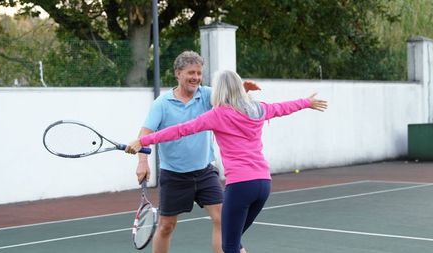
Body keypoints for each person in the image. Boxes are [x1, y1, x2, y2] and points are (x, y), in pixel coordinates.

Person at [126, 70, 328, 253]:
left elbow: (179, 130)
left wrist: (143, 141)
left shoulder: (217, 115)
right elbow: (283, 107)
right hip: (263, 184)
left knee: (229, 245)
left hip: (240, 185)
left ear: (219, 91)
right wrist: (306, 102)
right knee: (234, 241)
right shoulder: (258, 109)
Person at [135, 51, 258, 253]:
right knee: (166, 226)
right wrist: (142, 162)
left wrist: (242, 89)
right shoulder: (162, 104)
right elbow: (145, 134)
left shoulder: (208, 95)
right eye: (191, 72)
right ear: (178, 74)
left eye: (199, 73)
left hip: (204, 172)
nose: (196, 78)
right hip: (173, 175)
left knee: (222, 219)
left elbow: (230, 99)